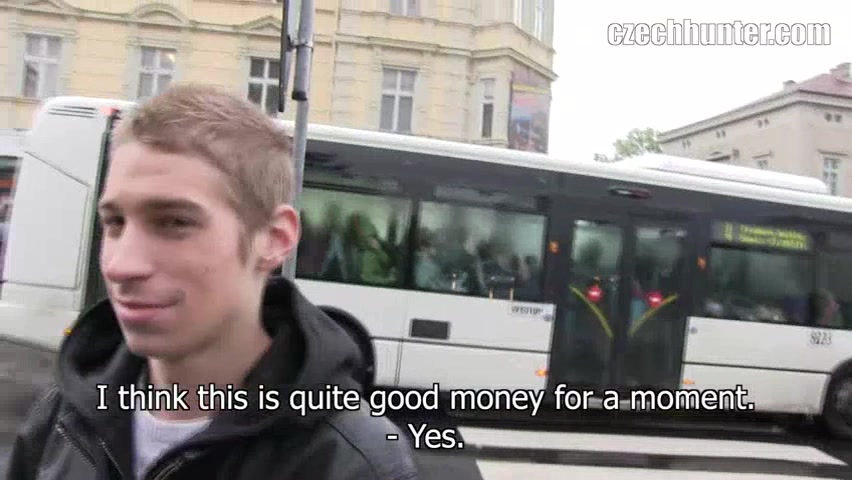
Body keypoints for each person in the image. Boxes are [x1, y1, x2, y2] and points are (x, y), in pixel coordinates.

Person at [7, 84, 419, 479]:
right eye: (114, 223)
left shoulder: (353, 461)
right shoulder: (63, 415)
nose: (120, 266)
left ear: (274, 239)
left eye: (174, 223)